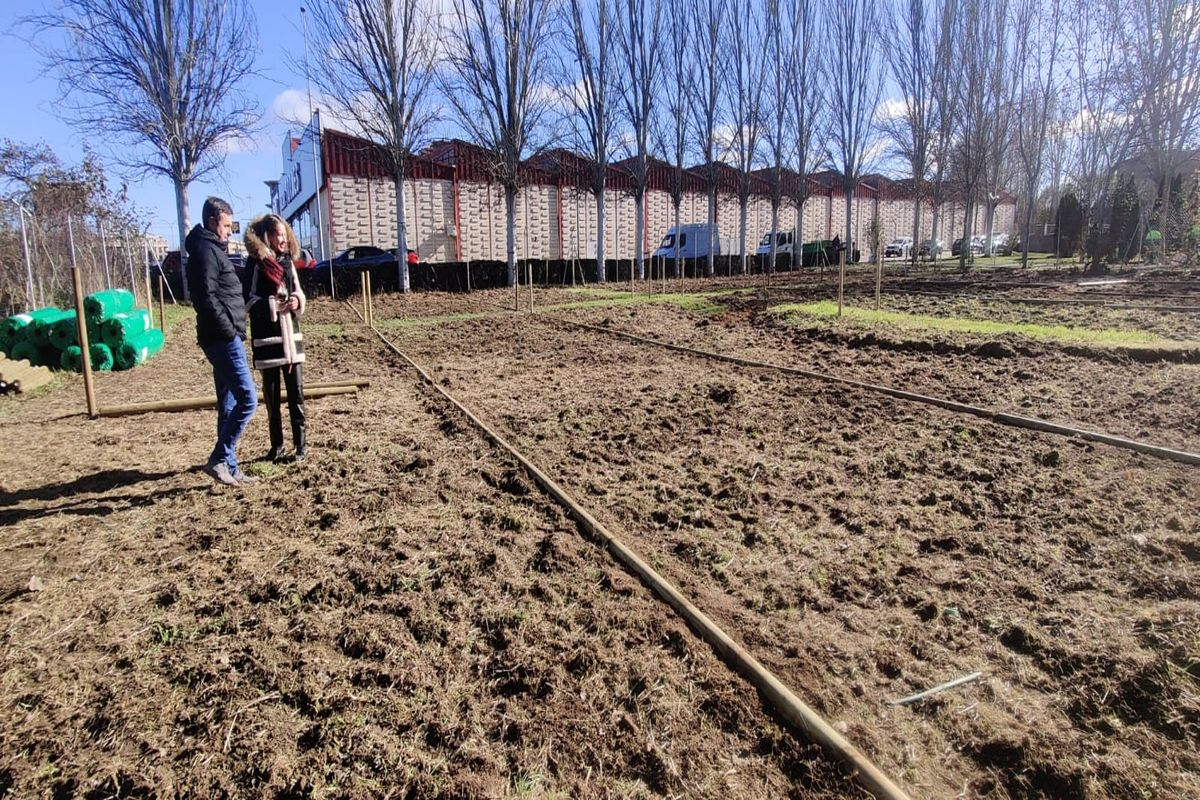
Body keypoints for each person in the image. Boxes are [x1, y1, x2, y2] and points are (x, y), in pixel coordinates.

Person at [186, 196, 259, 486]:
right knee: (248, 400)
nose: (230, 232)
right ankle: (219, 458)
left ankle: (229, 466)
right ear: (212, 221)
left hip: (224, 335)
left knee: (228, 405)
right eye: (227, 226)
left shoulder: (211, 248)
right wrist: (229, 330)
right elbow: (205, 297)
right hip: (222, 338)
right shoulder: (205, 251)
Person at [243, 214, 307, 462]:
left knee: (296, 395)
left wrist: (296, 301)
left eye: (284, 234)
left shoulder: (288, 263)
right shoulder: (255, 264)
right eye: (278, 234)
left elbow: (299, 292)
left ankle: (300, 446)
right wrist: (272, 304)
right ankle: (276, 446)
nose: (283, 239)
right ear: (266, 236)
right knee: (272, 401)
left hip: (291, 341)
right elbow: (248, 300)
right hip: (268, 343)